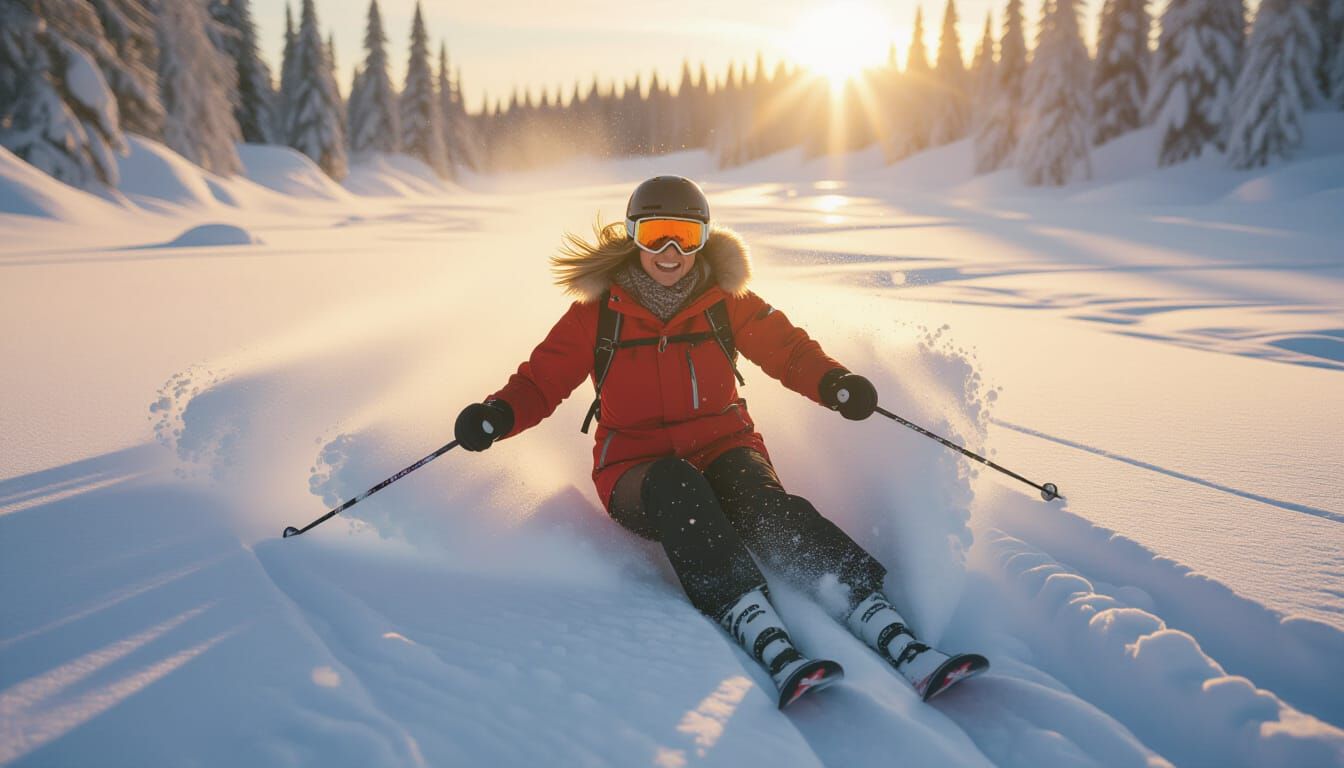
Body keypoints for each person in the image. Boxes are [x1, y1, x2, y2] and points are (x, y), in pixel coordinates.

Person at [454, 176, 985, 708]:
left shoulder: (724, 301)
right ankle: (753, 620)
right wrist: (497, 415)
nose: (669, 251)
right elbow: (541, 380)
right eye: (655, 233)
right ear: (633, 236)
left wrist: (834, 383)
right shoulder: (598, 312)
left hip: (725, 445)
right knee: (678, 486)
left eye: (684, 235)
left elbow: (788, 350)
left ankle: (876, 615)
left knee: (757, 498)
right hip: (635, 470)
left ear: (703, 239)